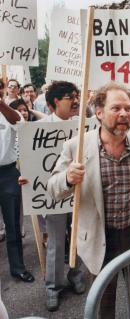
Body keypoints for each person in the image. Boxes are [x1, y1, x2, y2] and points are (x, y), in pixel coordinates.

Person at [47, 82, 130, 318]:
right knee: (104, 303)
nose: (124, 114)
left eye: (128, 108)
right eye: (116, 108)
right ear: (99, 112)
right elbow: (53, 188)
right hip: (100, 238)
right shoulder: (76, 146)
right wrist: (68, 178)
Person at [19, 81, 85, 311]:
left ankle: (77, 275)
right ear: (56, 102)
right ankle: (52, 288)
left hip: (78, 194)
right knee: (56, 243)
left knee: (79, 237)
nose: (76, 100)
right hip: (53, 197)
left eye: (77, 96)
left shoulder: (82, 125)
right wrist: (25, 178)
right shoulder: (38, 128)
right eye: (70, 97)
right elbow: (28, 163)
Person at [0, 78, 34, 283]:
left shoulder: (7, 113)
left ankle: (18, 267)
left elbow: (21, 123)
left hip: (7, 174)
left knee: (12, 224)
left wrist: (2, 104)